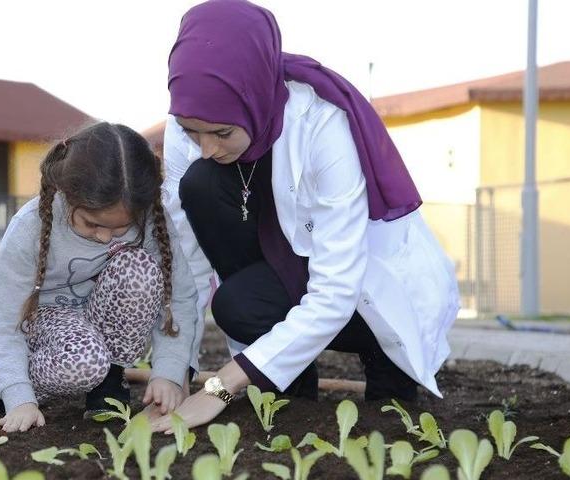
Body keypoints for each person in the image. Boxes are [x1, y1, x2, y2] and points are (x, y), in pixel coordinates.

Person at [151, 0, 459, 432]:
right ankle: (285, 386)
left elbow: (336, 291)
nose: (206, 148)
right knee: (231, 290)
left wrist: (220, 387)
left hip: (359, 288)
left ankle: (384, 365)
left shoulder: (322, 126)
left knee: (389, 421)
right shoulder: (190, 124)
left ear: (253, 97)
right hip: (290, 273)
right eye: (192, 132)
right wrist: (176, 372)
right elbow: (188, 264)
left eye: (222, 132)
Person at [0, 122, 201, 433]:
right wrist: (19, 397)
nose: (106, 238)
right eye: (92, 225)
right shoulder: (30, 227)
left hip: (97, 319)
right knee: (85, 360)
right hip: (46, 321)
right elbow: (1, 316)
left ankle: (107, 382)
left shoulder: (150, 219)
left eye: (120, 230)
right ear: (67, 193)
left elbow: (180, 295)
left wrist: (168, 374)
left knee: (141, 271)